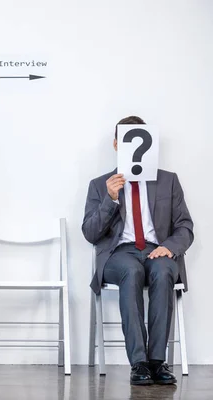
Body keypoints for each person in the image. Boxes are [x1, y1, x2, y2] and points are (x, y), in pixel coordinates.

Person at [82, 116, 194, 385]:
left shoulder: (168, 181)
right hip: (118, 254)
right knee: (131, 271)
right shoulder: (100, 184)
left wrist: (168, 247)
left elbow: (185, 227)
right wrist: (110, 199)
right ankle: (139, 363)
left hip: (157, 250)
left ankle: (158, 361)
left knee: (166, 269)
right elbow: (90, 233)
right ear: (117, 145)